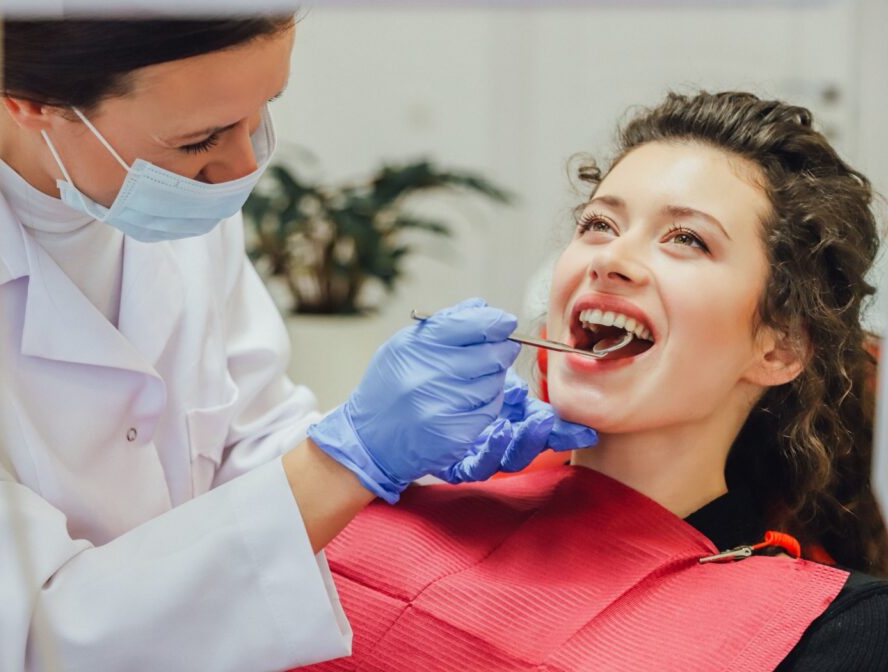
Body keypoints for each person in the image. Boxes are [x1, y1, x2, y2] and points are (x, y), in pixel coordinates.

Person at [0, 16, 595, 672]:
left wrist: (395, 457)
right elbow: (42, 634)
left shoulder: (165, 187)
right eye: (200, 139)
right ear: (27, 105)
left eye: (260, 112)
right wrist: (348, 458)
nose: (244, 168)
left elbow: (246, 438)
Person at [295, 91, 888, 671]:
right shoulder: (377, 501)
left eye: (686, 238)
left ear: (779, 347)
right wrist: (347, 465)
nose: (609, 258)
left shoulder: (837, 632)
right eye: (599, 224)